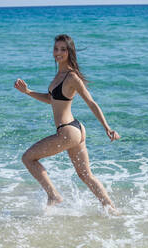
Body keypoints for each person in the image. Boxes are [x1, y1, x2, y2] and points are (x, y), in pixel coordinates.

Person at [14, 34, 121, 215]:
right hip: (75, 129)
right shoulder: (59, 74)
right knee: (85, 175)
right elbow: (51, 99)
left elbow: (91, 103)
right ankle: (111, 209)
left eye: (63, 49)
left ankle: (54, 196)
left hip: (68, 132)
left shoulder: (71, 77)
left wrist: (107, 127)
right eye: (56, 49)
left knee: (28, 158)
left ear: (69, 52)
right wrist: (28, 91)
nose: (58, 53)